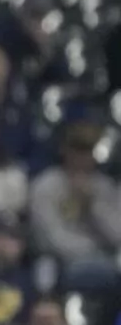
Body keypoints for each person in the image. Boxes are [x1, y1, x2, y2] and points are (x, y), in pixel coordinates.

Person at [28, 115, 121, 292]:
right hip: (62, 261)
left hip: (106, 258)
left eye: (88, 150)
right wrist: (92, 250)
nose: (83, 156)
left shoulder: (105, 186)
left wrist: (92, 206)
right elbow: (49, 238)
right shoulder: (46, 185)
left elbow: (118, 235)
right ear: (65, 149)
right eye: (78, 149)